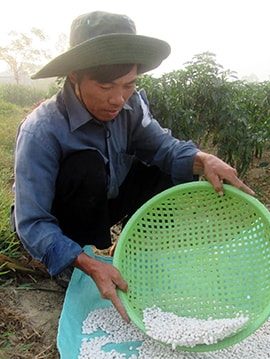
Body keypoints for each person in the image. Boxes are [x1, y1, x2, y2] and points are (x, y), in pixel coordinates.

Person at [12, 11, 254, 323]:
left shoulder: (131, 106)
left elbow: (164, 148)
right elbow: (31, 223)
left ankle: (136, 254)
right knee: (85, 166)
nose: (117, 98)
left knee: (172, 166)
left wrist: (204, 159)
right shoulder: (41, 130)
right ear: (74, 75)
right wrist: (84, 259)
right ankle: (79, 262)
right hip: (63, 214)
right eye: (105, 85)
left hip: (107, 198)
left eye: (128, 84)